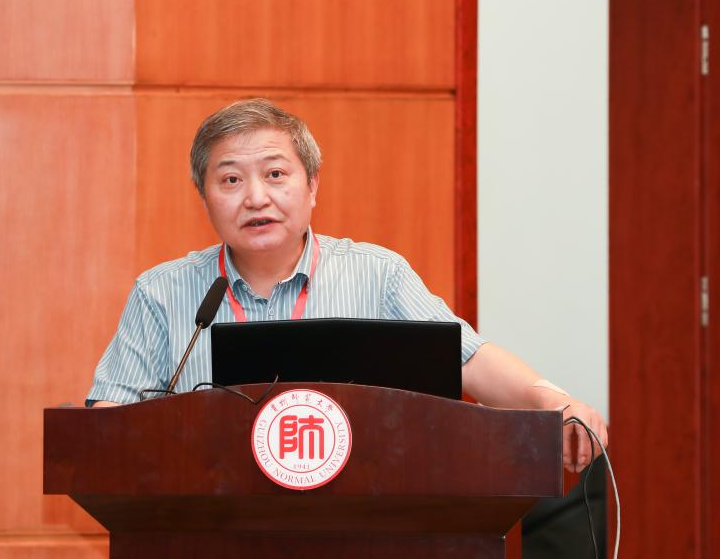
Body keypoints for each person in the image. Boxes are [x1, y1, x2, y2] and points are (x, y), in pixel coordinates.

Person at [87, 98, 608, 473]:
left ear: (312, 185)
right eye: (230, 180)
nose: (255, 198)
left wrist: (556, 403)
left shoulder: (376, 275)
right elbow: (106, 422)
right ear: (204, 198)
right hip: (209, 538)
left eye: (275, 174)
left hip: (362, 534)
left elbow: (467, 361)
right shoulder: (162, 293)